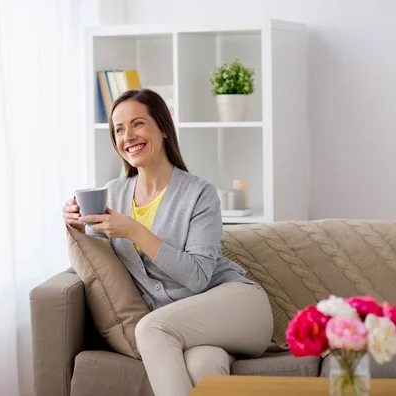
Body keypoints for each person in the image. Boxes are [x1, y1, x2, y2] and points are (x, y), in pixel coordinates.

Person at [62, 88, 273, 396]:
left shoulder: (200, 194)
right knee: (203, 367)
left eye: (138, 124)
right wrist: (77, 229)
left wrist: (135, 231)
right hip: (188, 328)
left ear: (162, 127)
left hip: (238, 308)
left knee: (150, 328)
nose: (128, 135)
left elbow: (198, 277)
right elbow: (100, 266)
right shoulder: (114, 193)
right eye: (118, 129)